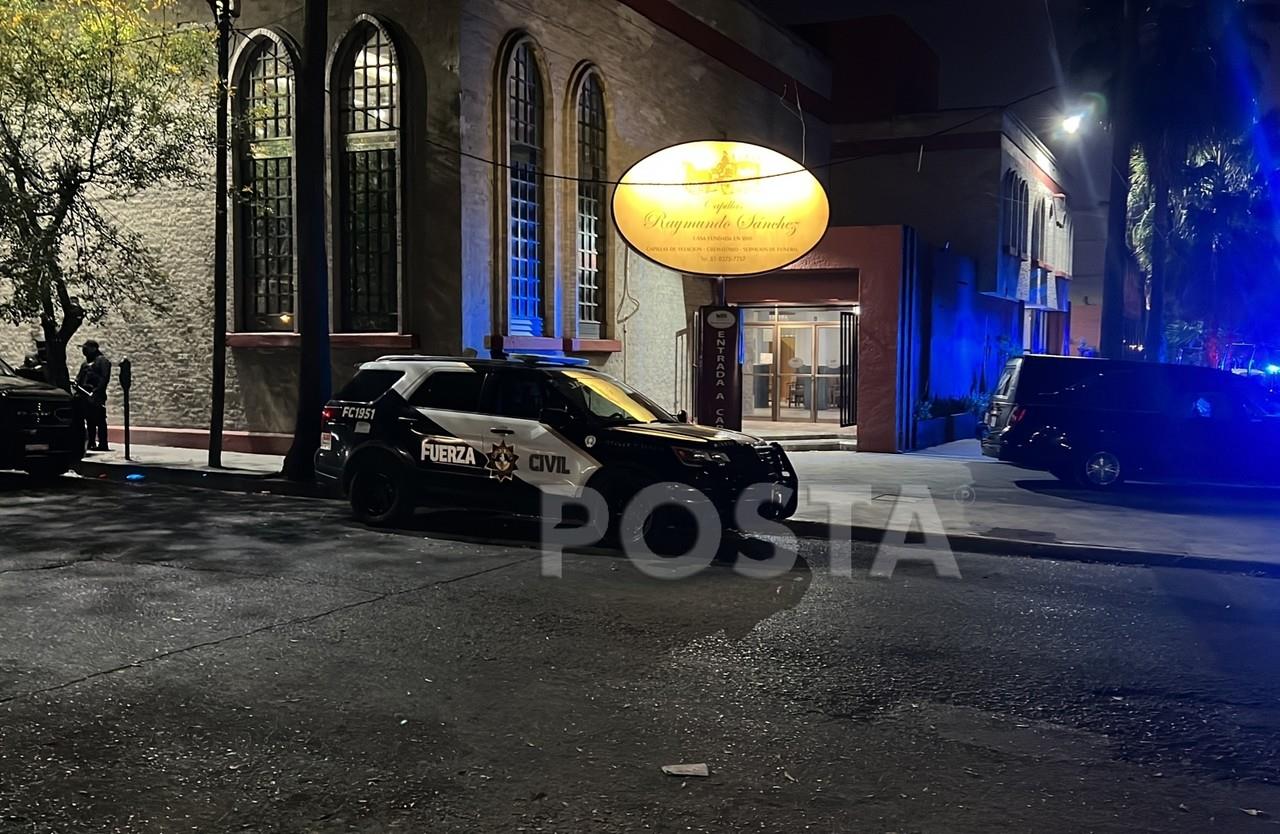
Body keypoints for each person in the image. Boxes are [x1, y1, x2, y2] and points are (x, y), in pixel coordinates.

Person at [75, 340, 112, 451]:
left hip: (96, 395)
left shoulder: (102, 361)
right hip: (84, 395)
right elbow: (80, 378)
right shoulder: (85, 363)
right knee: (89, 420)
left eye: (86, 348)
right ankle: (91, 442)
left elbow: (104, 379)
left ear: (94, 348)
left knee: (100, 420)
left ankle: (103, 443)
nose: (84, 350)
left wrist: (96, 393)